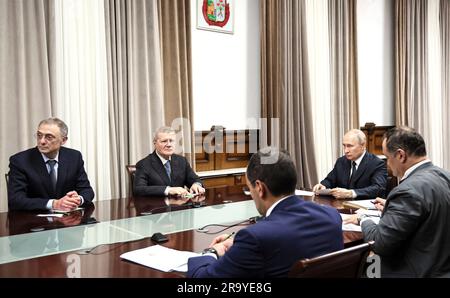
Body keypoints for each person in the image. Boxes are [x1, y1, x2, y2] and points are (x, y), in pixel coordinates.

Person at [187, 148, 343, 278]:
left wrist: (211, 252)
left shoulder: (255, 238)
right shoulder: (332, 216)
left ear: (260, 188)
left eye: (249, 189)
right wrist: (241, 244)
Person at [344, 127, 450, 277]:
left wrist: (364, 219)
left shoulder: (407, 191)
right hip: (441, 267)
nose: (387, 164)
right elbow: (431, 209)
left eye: (387, 158)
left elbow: (380, 243)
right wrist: (392, 207)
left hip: (412, 271)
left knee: (364, 267)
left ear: (400, 155)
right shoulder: (445, 176)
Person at [7, 118, 94, 211]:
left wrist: (77, 200)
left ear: (63, 140)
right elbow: (15, 200)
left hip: (68, 220)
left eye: (49, 137)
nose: (42, 141)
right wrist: (54, 204)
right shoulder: (20, 161)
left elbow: (87, 191)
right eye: (39, 135)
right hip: (33, 221)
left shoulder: (74, 157)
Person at [313, 129, 387, 200]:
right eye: (344, 146)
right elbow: (330, 180)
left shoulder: (376, 163)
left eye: (350, 146)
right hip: (342, 207)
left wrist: (351, 193)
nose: (346, 151)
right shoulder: (341, 161)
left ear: (363, 145)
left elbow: (378, 188)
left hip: (365, 208)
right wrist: (323, 186)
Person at [133, 126, 205, 197]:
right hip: (157, 207)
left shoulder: (182, 161)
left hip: (180, 207)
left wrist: (196, 184)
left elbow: (195, 179)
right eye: (164, 141)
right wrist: (169, 190)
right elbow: (139, 189)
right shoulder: (143, 164)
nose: (169, 145)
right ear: (155, 143)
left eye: (171, 141)